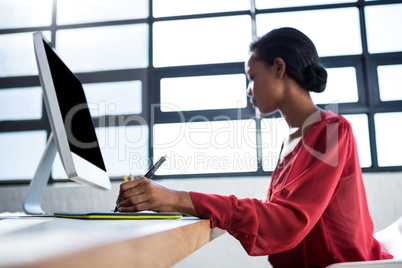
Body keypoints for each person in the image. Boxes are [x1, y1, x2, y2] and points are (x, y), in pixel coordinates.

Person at [116, 27, 393, 267]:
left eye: (251, 77)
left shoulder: (332, 131)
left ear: (279, 68)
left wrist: (176, 198)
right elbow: (276, 216)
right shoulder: (291, 141)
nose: (249, 90)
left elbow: (287, 222)